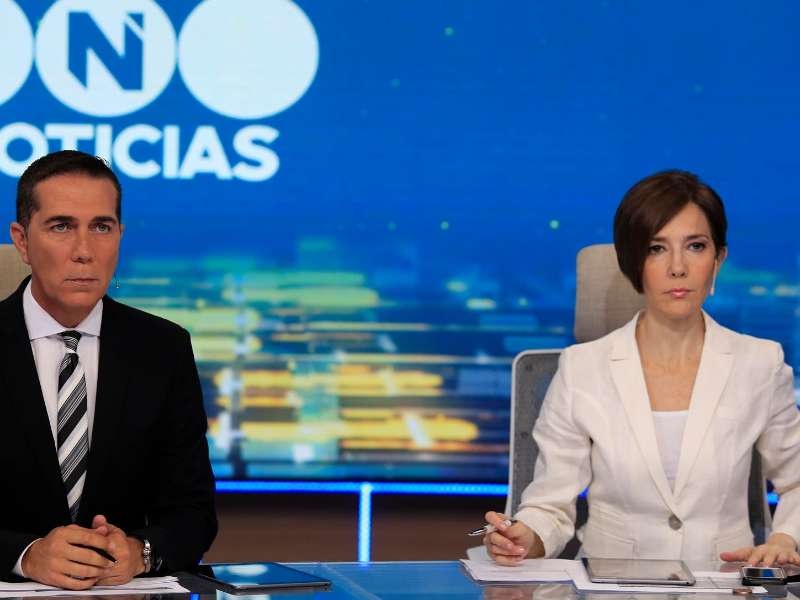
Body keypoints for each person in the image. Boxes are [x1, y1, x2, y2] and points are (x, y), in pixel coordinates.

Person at [484, 170, 800, 566]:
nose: (677, 267)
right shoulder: (582, 368)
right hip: (610, 585)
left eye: (695, 246)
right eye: (656, 248)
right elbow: (550, 505)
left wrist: (785, 539)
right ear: (633, 262)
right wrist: (523, 537)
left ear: (718, 258)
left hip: (723, 581)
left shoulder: (760, 363)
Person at [0, 150, 217, 589]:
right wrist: (26, 555)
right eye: (61, 227)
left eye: (101, 227)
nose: (84, 252)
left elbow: (193, 512)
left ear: (120, 235)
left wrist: (141, 551)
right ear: (22, 240)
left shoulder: (164, 348)